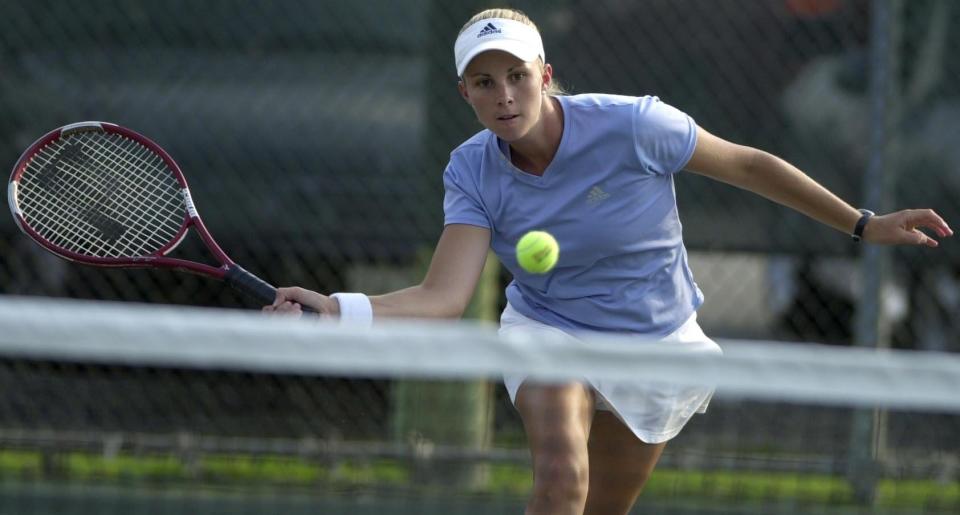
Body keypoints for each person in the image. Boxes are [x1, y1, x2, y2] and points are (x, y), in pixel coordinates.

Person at [263, 8, 953, 515]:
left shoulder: (633, 125)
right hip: (549, 326)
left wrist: (864, 224)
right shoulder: (470, 169)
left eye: (516, 75)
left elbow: (749, 164)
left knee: (600, 510)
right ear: (463, 93)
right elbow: (444, 296)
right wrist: (339, 308)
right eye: (483, 82)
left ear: (546, 75)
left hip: (658, 338)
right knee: (561, 479)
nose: (503, 95)